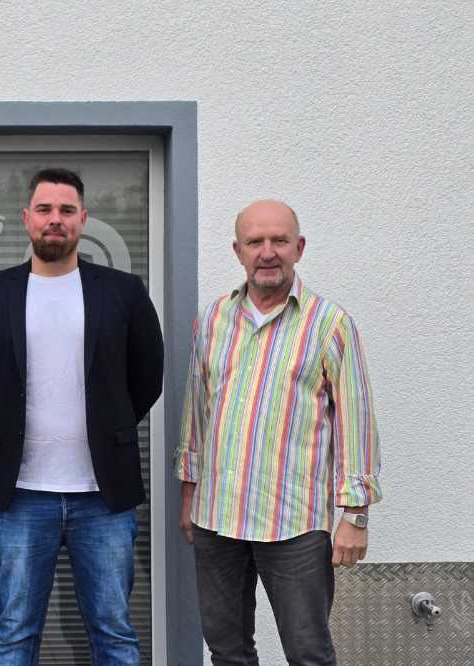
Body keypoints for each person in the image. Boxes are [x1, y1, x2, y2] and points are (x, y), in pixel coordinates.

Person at [0, 168, 163, 664]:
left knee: (114, 632)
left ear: (83, 219)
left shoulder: (123, 291)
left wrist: (108, 428)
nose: (55, 219)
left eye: (67, 210)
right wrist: (7, 429)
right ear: (26, 217)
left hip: (103, 495)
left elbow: (147, 377)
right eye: (45, 209)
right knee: (13, 632)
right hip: (20, 493)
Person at [176, 199, 383, 665]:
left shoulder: (330, 324)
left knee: (308, 653)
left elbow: (356, 422)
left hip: (293, 525)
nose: (267, 252)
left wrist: (355, 515)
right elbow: (196, 413)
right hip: (217, 517)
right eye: (255, 242)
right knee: (227, 651)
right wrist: (189, 492)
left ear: (299, 248)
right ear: (238, 251)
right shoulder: (212, 321)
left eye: (279, 241)